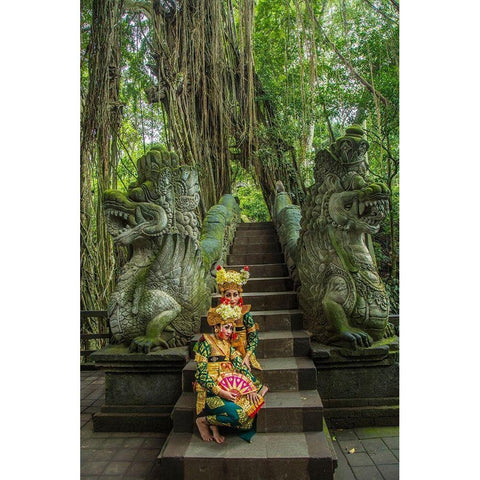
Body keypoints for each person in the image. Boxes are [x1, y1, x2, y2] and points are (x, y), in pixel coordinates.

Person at [194, 303, 268, 443]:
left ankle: (215, 425)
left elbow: (241, 367)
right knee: (239, 416)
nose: (229, 331)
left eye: (231, 328)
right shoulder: (206, 344)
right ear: (216, 327)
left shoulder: (229, 347)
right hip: (210, 393)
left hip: (229, 391)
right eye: (226, 327)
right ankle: (204, 421)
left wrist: (250, 388)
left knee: (251, 410)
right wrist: (222, 392)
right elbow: (201, 375)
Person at [215, 265, 262, 370]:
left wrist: (247, 355)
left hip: (243, 351)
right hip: (225, 349)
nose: (232, 299)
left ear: (239, 295)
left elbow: (253, 338)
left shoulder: (245, 313)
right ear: (223, 296)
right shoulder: (219, 313)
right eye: (228, 295)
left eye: (235, 295)